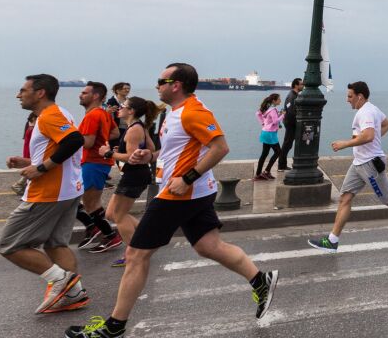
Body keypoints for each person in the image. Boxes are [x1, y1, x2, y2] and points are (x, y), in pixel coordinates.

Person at [65, 63, 279, 338]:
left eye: (160, 80)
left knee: (136, 255)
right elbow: (173, 152)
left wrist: (187, 178)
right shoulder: (174, 113)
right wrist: (149, 157)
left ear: (176, 84)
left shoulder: (194, 112)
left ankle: (113, 328)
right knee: (208, 245)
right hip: (193, 192)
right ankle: (260, 280)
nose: (156, 85)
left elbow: (220, 147)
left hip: (179, 194)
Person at [0, 74, 89, 314]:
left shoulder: (49, 115)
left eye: (23, 90)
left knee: (9, 244)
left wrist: (40, 168)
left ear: (40, 93)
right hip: (68, 189)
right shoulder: (62, 114)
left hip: (48, 193)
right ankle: (74, 293)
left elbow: (74, 141)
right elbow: (62, 149)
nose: (19, 95)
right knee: (56, 244)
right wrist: (28, 162)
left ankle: (59, 280)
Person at [308, 81, 388, 253]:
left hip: (370, 164)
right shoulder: (372, 109)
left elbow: (369, 135)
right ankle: (333, 241)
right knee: (345, 198)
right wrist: (374, 140)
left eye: (350, 96)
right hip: (358, 164)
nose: (347, 100)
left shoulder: (366, 112)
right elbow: (386, 124)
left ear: (359, 96)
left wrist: (345, 144)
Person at [98, 97, 160, 267]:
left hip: (134, 175)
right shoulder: (139, 126)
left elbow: (132, 159)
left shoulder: (134, 129)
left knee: (119, 215)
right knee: (111, 214)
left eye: (123, 106)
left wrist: (109, 153)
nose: (119, 108)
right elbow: (151, 149)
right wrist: (122, 150)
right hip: (135, 175)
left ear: (131, 111)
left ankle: (134, 254)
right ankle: (147, 238)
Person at [76, 82, 121, 253]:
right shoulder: (103, 113)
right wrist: (102, 139)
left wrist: (70, 138)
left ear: (95, 96)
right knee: (84, 201)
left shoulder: (92, 116)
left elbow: (87, 142)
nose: (80, 95)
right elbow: (115, 133)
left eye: (84, 92)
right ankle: (95, 229)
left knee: (87, 202)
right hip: (98, 163)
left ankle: (109, 235)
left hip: (93, 162)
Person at [255, 93, 283, 180]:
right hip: (270, 134)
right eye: (279, 99)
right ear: (274, 101)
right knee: (278, 152)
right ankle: (266, 171)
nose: (280, 101)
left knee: (264, 153)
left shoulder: (268, 108)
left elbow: (258, 114)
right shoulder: (273, 110)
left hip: (265, 132)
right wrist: (283, 115)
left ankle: (258, 174)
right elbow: (275, 121)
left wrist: (263, 123)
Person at [277, 78, 302, 171]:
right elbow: (291, 111)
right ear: (296, 85)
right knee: (287, 144)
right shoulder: (292, 96)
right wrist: (297, 121)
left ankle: (283, 164)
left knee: (288, 144)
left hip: (291, 123)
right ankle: (281, 165)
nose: (303, 86)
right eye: (301, 84)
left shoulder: (295, 95)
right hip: (291, 123)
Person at [10, 111, 37, 197]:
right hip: (30, 150)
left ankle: (21, 186)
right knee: (32, 167)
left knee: (31, 167)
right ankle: (19, 185)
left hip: (27, 149)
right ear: (33, 118)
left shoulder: (28, 126)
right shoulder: (33, 129)